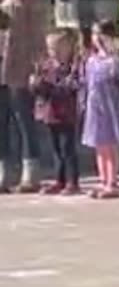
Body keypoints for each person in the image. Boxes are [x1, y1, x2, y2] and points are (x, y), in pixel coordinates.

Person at [0, 0, 45, 193]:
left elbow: (24, 8)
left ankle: (31, 173)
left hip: (21, 60)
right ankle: (3, 173)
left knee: (23, 118)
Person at [81, 21, 119, 199]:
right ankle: (102, 180)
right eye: (94, 34)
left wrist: (112, 52)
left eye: (100, 34)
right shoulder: (91, 61)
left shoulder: (114, 61)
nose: (97, 38)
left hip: (110, 105)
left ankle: (112, 181)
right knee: (99, 144)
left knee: (110, 144)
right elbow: (86, 83)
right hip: (95, 105)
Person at [30, 29, 81, 196]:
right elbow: (39, 90)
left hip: (66, 112)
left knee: (67, 148)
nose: (54, 52)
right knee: (56, 149)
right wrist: (36, 83)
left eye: (57, 48)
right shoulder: (46, 66)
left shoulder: (72, 67)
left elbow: (70, 87)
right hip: (50, 112)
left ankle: (72, 181)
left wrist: (51, 86)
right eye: (51, 48)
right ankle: (60, 180)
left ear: (67, 48)